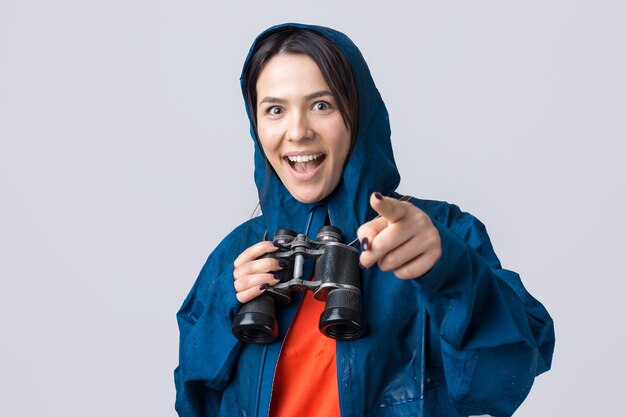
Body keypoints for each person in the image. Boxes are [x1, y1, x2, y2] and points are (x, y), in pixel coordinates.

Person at [174, 23, 555, 417]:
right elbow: (193, 401)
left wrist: (451, 270)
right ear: (256, 125)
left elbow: (502, 383)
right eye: (275, 109)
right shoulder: (239, 253)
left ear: (359, 113)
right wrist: (226, 304)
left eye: (322, 105)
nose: (298, 132)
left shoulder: (434, 234)